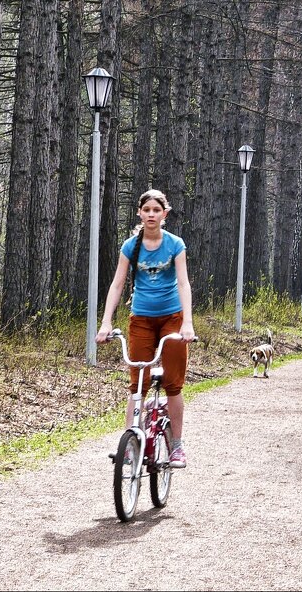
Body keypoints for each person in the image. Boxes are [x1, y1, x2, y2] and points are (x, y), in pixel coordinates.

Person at [96, 189, 195, 468]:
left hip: (172, 318)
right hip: (140, 318)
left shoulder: (175, 244)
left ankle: (176, 445)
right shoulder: (130, 246)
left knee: (173, 385)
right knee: (137, 383)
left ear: (164, 214)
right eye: (146, 210)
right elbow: (117, 285)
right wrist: (106, 323)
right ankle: (130, 443)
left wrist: (187, 323)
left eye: (156, 210)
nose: (151, 214)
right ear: (140, 213)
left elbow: (183, 284)